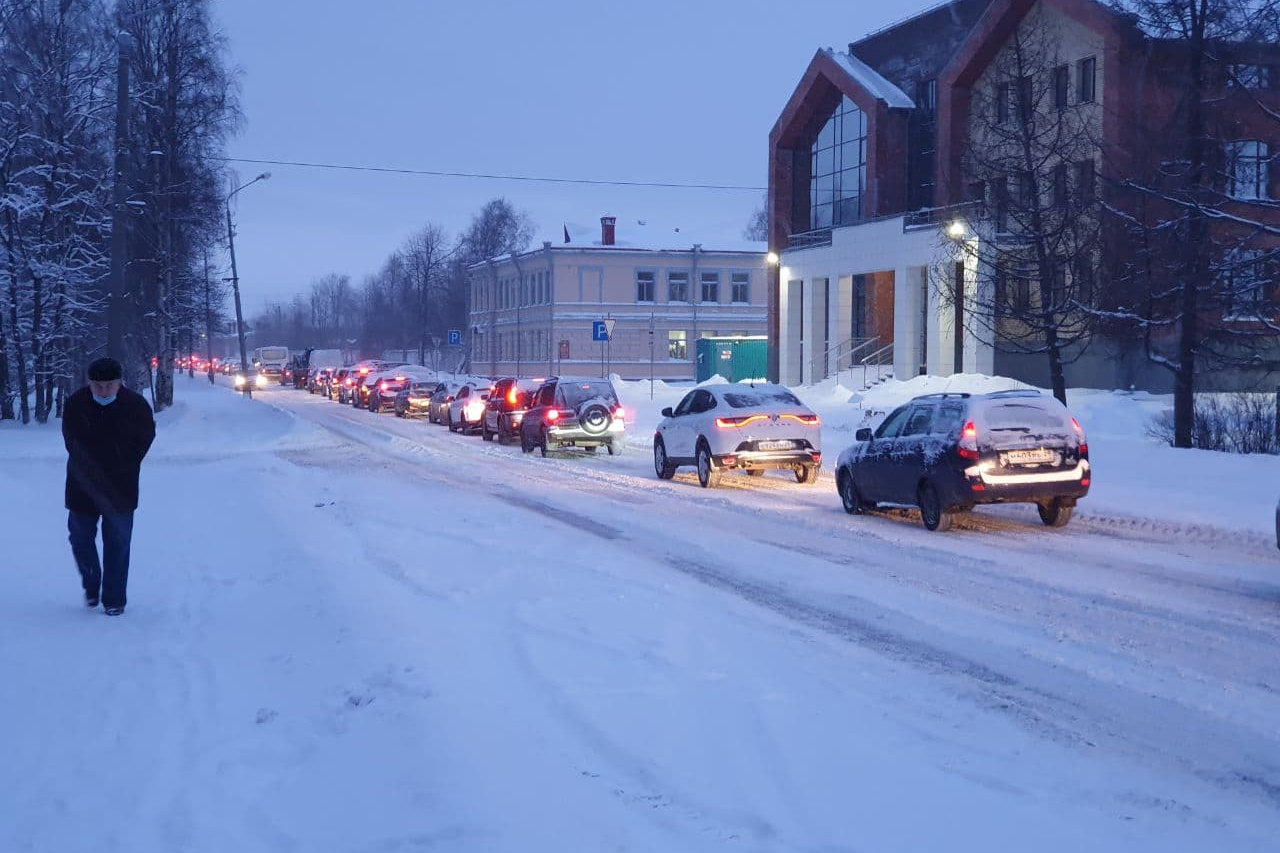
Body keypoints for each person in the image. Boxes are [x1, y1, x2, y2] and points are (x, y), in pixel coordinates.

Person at [62, 358, 156, 616]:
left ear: (119, 383)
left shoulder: (135, 406)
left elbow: (145, 438)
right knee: (80, 539)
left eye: (109, 385)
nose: (103, 391)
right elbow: (70, 440)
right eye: (98, 386)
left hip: (120, 487)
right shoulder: (76, 404)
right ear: (89, 384)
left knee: (117, 544)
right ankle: (92, 584)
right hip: (82, 485)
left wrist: (123, 463)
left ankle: (114, 598)